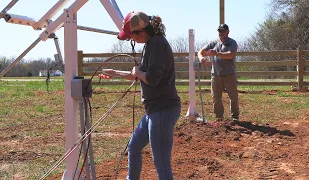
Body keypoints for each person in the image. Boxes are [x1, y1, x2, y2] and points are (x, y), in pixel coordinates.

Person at [99, 11, 181, 180]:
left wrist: (138, 72)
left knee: (162, 164)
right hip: (153, 110)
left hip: (162, 110)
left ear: (141, 32)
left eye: (131, 36)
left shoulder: (157, 44)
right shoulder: (150, 44)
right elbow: (138, 74)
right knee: (134, 147)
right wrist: (114, 72)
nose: (131, 40)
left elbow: (151, 78)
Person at [197, 24, 239, 122]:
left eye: (223, 31)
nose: (221, 33)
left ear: (228, 31)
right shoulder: (213, 43)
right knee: (216, 96)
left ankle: (235, 117)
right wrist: (201, 58)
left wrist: (216, 53)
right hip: (216, 74)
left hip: (229, 74)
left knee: (233, 96)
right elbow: (200, 52)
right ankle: (219, 118)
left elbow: (230, 55)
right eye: (219, 31)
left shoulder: (232, 43)